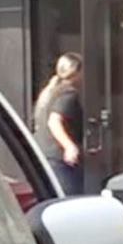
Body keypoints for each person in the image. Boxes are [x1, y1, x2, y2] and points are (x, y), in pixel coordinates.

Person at [33, 52, 85, 196]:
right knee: (69, 200)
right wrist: (69, 147)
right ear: (77, 72)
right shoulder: (68, 93)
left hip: (45, 153)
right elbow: (54, 121)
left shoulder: (51, 91)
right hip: (58, 157)